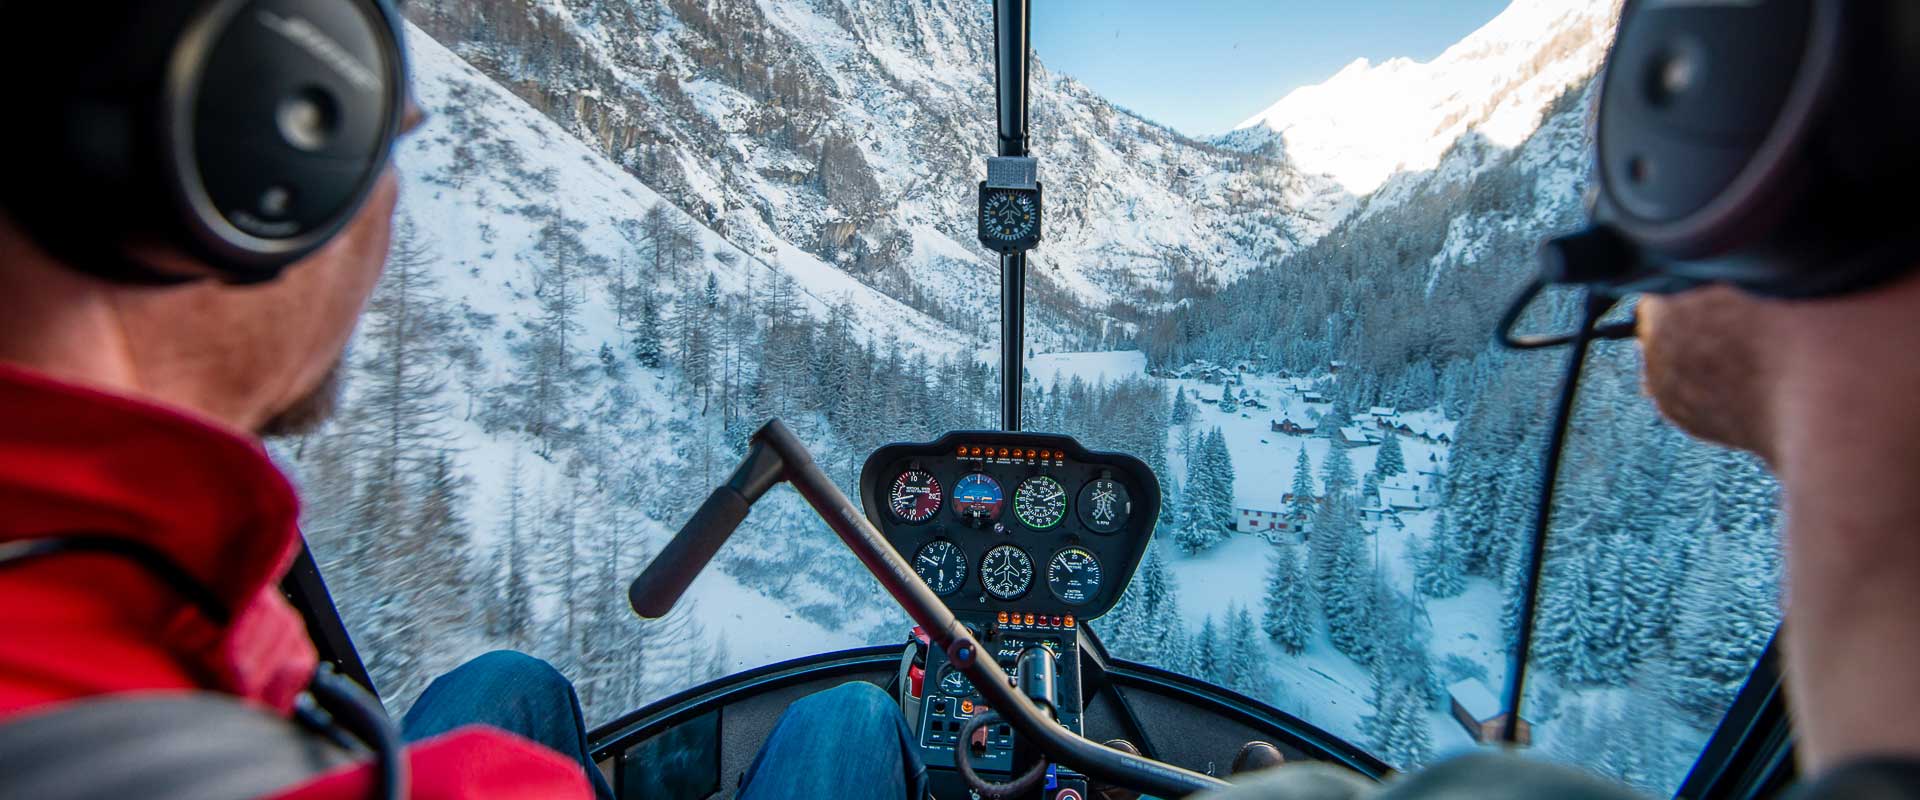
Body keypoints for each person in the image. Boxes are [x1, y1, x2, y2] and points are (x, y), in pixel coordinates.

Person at [0, 13, 922, 800]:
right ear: (268, 159)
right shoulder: (487, 783)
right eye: (384, 148)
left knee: (507, 682)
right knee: (851, 714)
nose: (391, 211)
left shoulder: (127, 575)